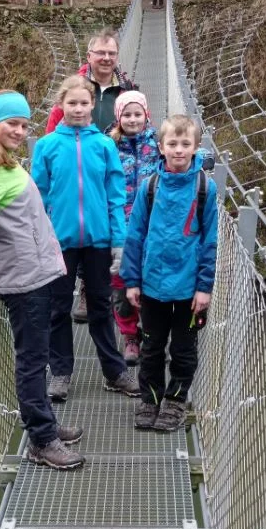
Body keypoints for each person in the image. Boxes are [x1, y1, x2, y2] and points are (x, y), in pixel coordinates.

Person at [0, 90, 85, 470]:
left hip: (34, 271)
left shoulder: (1, 162)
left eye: (25, 125)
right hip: (25, 279)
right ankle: (41, 441)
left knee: (37, 357)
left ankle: (46, 424)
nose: (20, 131)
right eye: (12, 123)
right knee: (32, 361)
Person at [31, 75, 139, 402]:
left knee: (100, 306)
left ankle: (114, 372)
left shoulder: (104, 146)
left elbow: (115, 197)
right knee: (58, 307)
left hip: (98, 240)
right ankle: (60, 372)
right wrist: (39, 238)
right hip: (60, 242)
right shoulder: (46, 146)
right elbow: (38, 197)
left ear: (93, 104)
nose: (78, 109)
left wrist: (118, 241)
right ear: (61, 105)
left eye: (83, 103)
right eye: (72, 103)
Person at [120, 114, 218, 432]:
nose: (178, 150)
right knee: (151, 347)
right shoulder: (150, 187)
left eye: (185, 144)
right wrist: (131, 281)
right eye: (172, 144)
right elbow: (135, 236)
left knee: (183, 350)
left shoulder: (205, 188)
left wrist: (204, 287)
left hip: (189, 289)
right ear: (160, 147)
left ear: (196, 147)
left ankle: (175, 402)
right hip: (152, 285)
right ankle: (150, 400)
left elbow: (210, 241)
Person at [45, 27, 138, 323]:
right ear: (89, 55)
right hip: (79, 176)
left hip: (120, 173)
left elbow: (140, 125)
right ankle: (88, 288)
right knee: (83, 229)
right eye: (101, 53)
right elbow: (52, 135)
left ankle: (123, 312)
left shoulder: (127, 90)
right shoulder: (75, 91)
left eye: (112, 53)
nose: (106, 58)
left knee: (117, 233)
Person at [107, 90, 160, 366]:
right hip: (119, 225)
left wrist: (202, 158)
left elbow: (184, 150)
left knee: (150, 278)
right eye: (126, 114)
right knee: (121, 280)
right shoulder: (109, 146)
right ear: (118, 118)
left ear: (146, 115)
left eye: (137, 114)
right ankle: (130, 335)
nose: (132, 119)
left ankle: (150, 333)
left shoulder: (159, 143)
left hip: (153, 225)